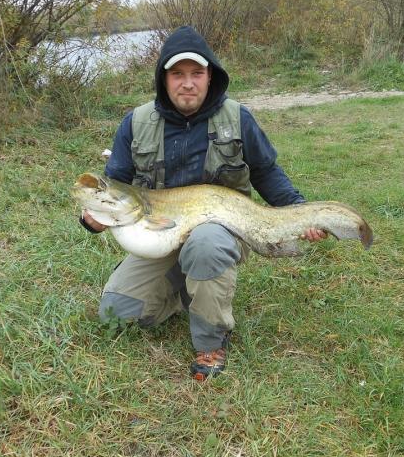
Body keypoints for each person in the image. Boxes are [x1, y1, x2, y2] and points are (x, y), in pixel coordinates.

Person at [80, 25, 326, 380]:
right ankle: (188, 290)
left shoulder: (237, 118)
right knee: (117, 313)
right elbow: (115, 183)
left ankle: (211, 342)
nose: (188, 83)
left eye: (196, 73)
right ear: (164, 79)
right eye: (177, 74)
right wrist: (93, 219)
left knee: (206, 244)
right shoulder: (136, 122)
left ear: (211, 76)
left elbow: (266, 172)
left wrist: (300, 211)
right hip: (161, 232)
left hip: (220, 230)